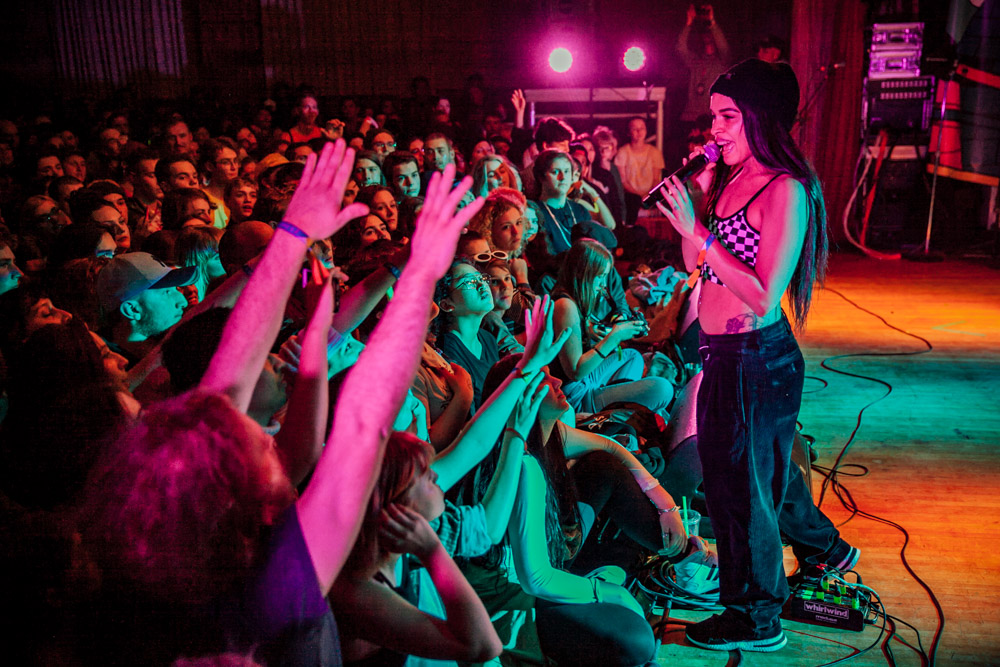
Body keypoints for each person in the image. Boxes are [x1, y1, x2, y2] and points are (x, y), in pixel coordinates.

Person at [80, 143, 484, 664]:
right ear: (238, 481)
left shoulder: (159, 566)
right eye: (251, 427)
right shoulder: (270, 579)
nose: (250, 406)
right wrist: (420, 276)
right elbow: (364, 420)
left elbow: (234, 370)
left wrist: (294, 239)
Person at [654, 59, 857, 653]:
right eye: (713, 116)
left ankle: (757, 619)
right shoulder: (728, 179)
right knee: (735, 486)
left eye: (727, 117)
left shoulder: (786, 190)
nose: (713, 128)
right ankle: (774, 585)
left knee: (746, 493)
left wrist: (699, 232)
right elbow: (710, 265)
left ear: (761, 120)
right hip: (722, 354)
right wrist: (692, 218)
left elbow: (765, 291)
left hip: (756, 359)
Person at [455, 354, 691, 667]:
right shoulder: (522, 464)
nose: (558, 383)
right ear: (523, 399)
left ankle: (684, 558)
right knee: (636, 639)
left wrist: (666, 505)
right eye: (544, 380)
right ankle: (678, 563)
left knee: (607, 476)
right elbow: (535, 580)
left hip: (541, 572)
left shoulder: (548, 437)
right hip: (519, 604)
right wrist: (605, 592)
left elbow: (611, 447)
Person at [550, 239, 674, 414]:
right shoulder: (565, 305)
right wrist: (614, 336)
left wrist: (594, 331)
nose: (602, 285)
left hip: (584, 382)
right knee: (663, 389)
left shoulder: (574, 299)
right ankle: (611, 413)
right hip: (573, 395)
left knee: (633, 357)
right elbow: (576, 372)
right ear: (583, 274)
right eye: (599, 277)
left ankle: (619, 408)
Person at [614, 118, 665, 224]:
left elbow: (656, 179)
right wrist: (639, 197)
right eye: (635, 129)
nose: (639, 131)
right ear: (629, 132)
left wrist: (648, 196)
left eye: (642, 128)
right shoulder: (622, 152)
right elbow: (623, 181)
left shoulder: (654, 152)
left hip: (651, 197)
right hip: (631, 198)